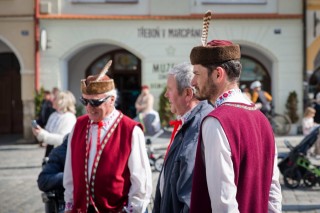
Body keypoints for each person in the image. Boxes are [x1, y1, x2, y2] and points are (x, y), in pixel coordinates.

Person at [188, 11, 282, 213]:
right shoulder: (262, 119)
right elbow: (273, 192)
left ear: (218, 74)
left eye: (197, 73)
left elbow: (224, 202)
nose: (193, 82)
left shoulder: (216, 121)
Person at [63, 60, 152, 213]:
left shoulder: (130, 129)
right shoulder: (79, 125)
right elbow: (69, 171)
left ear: (112, 100)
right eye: (85, 101)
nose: (89, 107)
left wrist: (133, 209)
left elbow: (140, 179)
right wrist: (69, 203)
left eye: (95, 102)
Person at [153, 62, 213, 213]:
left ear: (187, 93)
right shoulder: (189, 121)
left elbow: (190, 197)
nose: (166, 95)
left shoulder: (199, 126)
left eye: (169, 90)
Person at [32, 90, 77, 157]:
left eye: (55, 98)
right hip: (50, 152)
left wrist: (43, 134)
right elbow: (47, 132)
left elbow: (63, 140)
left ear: (62, 101)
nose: (52, 99)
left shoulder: (69, 117)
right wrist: (38, 132)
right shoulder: (54, 115)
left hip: (61, 155)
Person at [37, 134, 69, 213]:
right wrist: (70, 177)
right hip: (68, 203)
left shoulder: (102, 144)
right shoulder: (63, 149)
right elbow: (43, 180)